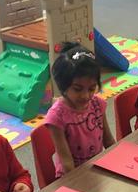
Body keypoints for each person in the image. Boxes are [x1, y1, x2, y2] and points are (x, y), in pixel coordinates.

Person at [45, 43, 115, 178]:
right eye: (77, 89)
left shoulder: (97, 104)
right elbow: (66, 162)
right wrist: (79, 183)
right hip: (70, 177)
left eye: (91, 88)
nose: (85, 96)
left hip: (96, 170)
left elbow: (109, 141)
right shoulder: (56, 117)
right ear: (63, 85)